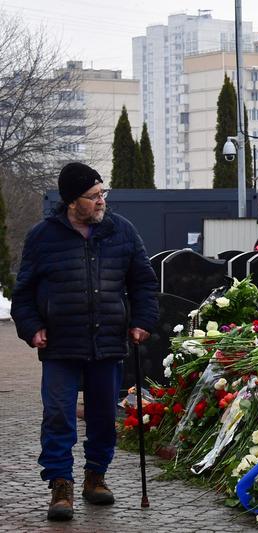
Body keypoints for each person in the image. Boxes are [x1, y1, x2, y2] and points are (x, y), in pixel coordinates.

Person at [11, 162, 158, 521]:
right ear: (71, 201)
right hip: (60, 344)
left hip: (107, 340)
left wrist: (141, 321)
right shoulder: (43, 236)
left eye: (102, 194)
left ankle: (96, 476)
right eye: (93, 196)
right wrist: (32, 327)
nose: (101, 201)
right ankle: (60, 483)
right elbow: (24, 293)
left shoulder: (121, 231)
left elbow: (143, 281)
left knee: (104, 415)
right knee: (59, 414)